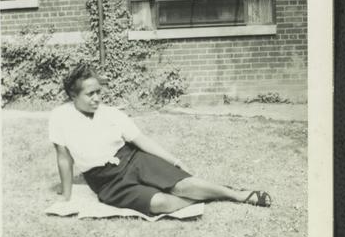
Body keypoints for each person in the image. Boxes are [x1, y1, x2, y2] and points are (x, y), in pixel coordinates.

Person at [48, 64, 271, 216]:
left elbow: (141, 140)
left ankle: (238, 195)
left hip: (133, 160)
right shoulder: (60, 117)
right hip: (106, 182)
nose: (97, 98)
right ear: (72, 95)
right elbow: (64, 159)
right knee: (161, 203)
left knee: (184, 185)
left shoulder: (112, 113)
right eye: (90, 94)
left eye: (98, 92)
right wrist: (66, 197)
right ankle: (208, 197)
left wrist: (174, 161)